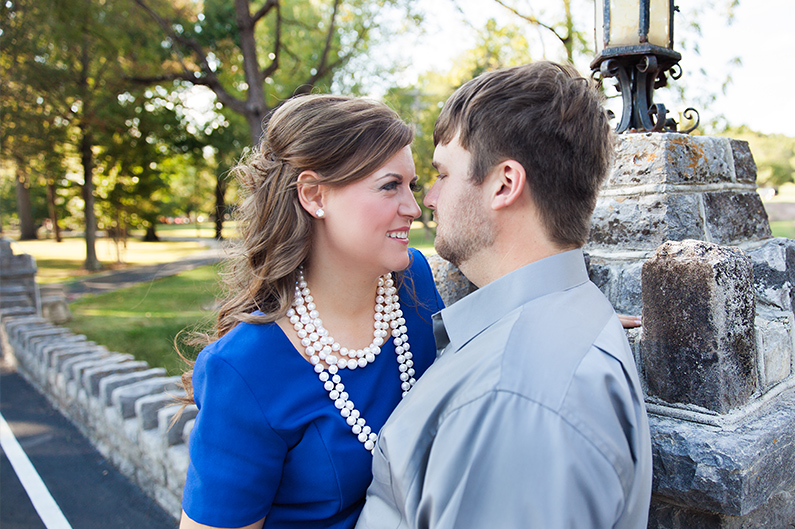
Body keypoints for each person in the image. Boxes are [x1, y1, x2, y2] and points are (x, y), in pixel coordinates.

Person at [356, 62, 653, 529]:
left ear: (504, 184)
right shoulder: (556, 323)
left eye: (443, 175)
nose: (427, 201)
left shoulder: (513, 401)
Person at [179, 94, 444, 529]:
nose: (414, 209)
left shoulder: (412, 283)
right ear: (313, 195)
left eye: (411, 186)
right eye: (389, 185)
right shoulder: (243, 370)